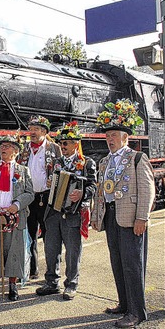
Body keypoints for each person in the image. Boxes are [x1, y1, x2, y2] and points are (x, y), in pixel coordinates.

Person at [91, 99, 155, 328]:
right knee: (117, 261)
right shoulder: (105, 161)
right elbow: (101, 190)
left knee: (132, 264)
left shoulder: (137, 158)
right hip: (111, 215)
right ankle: (124, 303)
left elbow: (148, 189)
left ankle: (137, 312)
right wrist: (97, 216)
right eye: (108, 136)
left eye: (115, 136)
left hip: (130, 218)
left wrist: (142, 218)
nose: (110, 140)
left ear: (125, 138)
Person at [36, 121, 97, 300]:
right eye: (61, 143)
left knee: (72, 250)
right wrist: (49, 184)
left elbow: (93, 185)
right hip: (54, 211)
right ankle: (51, 282)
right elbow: (52, 182)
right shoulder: (56, 162)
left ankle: (71, 284)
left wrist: (83, 192)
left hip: (73, 213)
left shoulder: (87, 163)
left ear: (75, 144)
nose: (62, 146)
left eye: (66, 143)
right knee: (51, 248)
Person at [0, 135, 33, 300]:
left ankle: (12, 286)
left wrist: (16, 205)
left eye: (8, 146)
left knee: (14, 251)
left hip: (14, 217)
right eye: (2, 146)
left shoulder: (23, 171)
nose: (4, 149)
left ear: (16, 151)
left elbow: (30, 193)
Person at [19, 115, 62, 279]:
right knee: (29, 235)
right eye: (31, 129)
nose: (32, 132)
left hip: (46, 197)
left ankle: (52, 273)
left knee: (50, 236)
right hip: (29, 197)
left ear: (44, 131)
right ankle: (32, 270)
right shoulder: (24, 149)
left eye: (36, 129)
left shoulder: (54, 148)